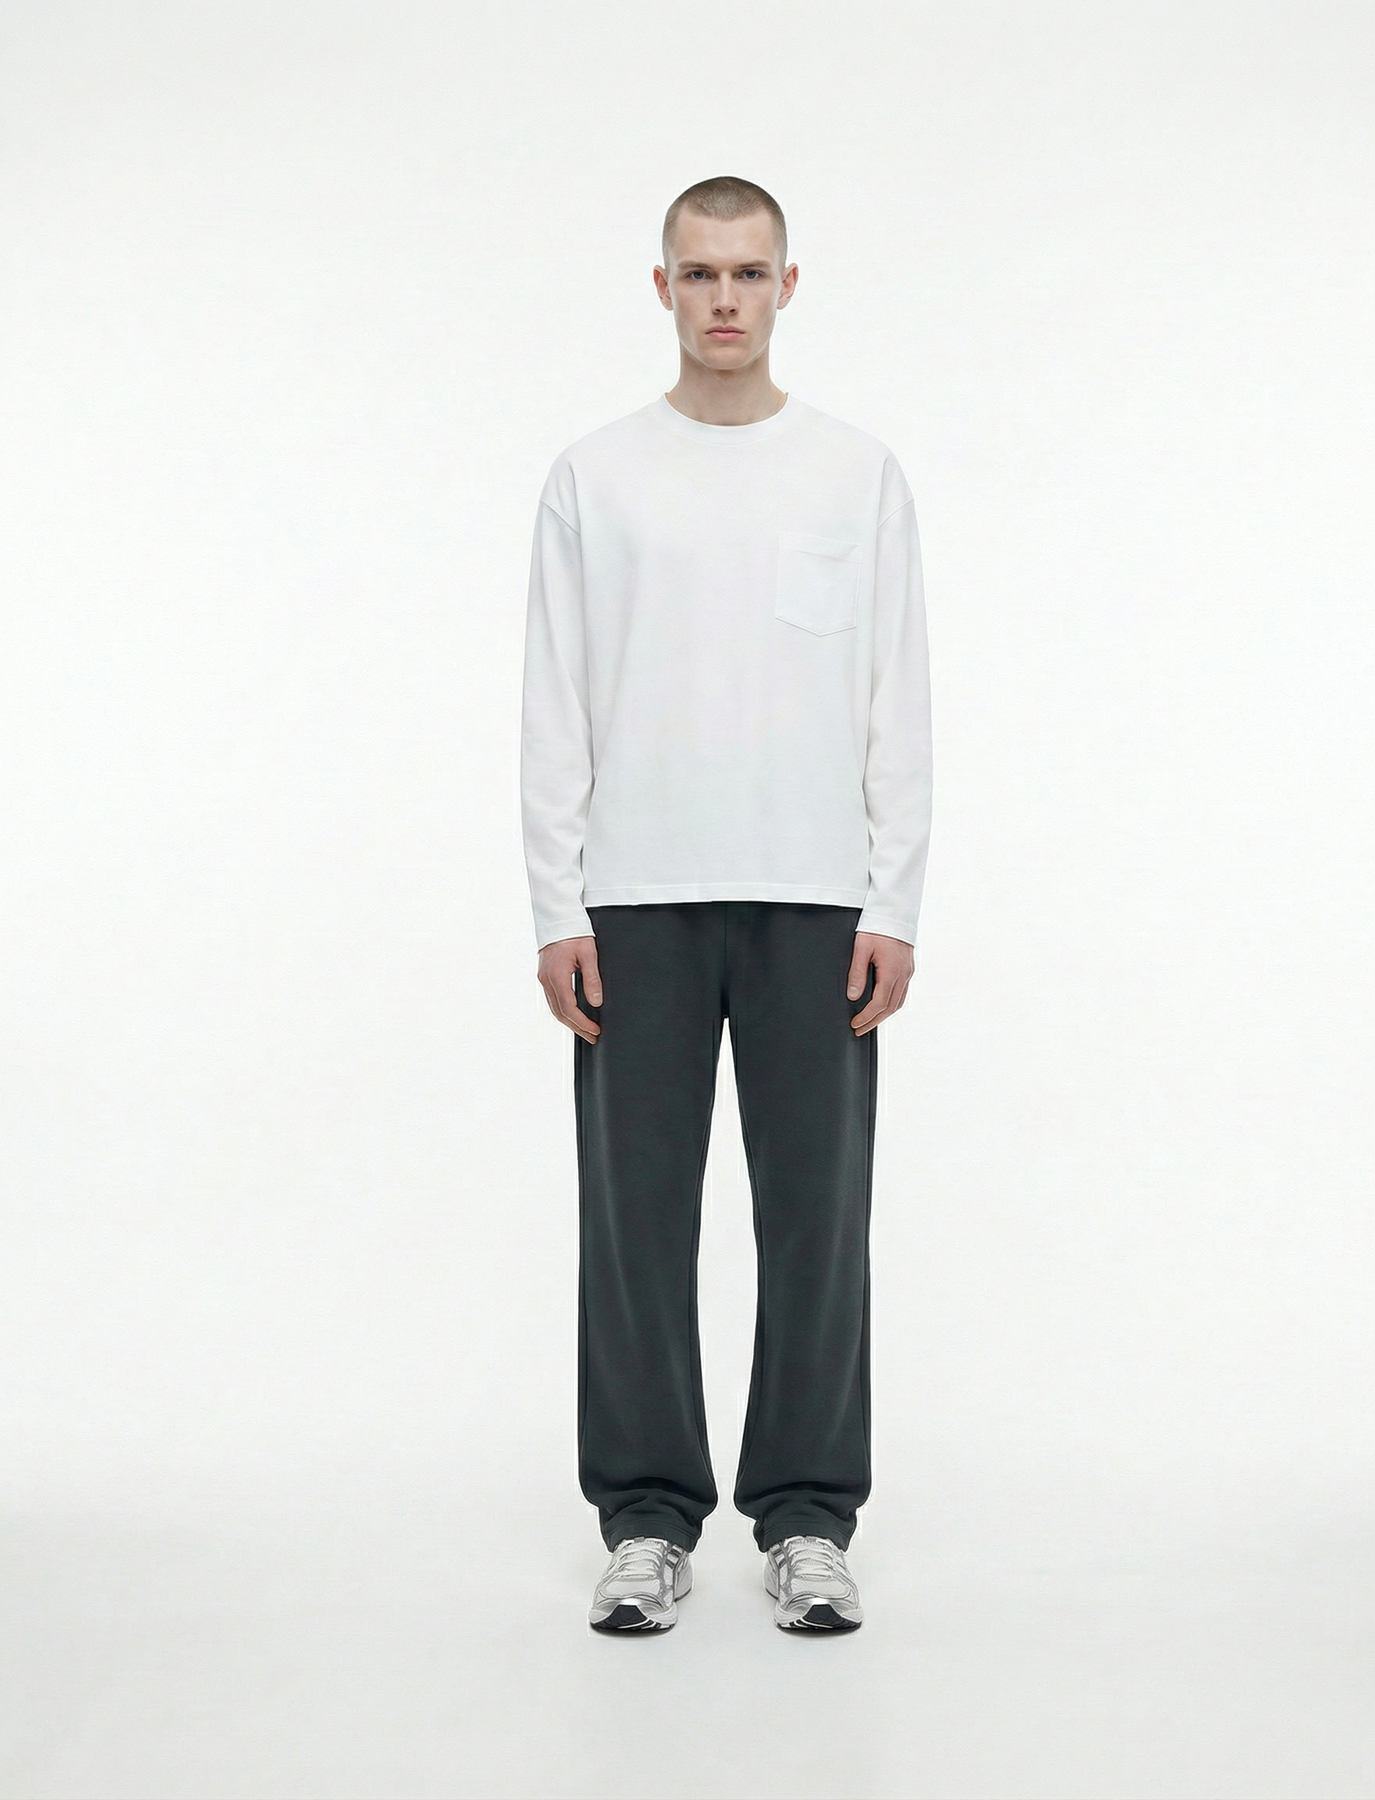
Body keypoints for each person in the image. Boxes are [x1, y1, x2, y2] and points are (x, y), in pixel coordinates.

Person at [519, 175, 933, 1634]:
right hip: (636, 893)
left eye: (747, 273)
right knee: (635, 1220)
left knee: (817, 1217)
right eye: (698, 273)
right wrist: (556, 905)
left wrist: (894, 898)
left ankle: (808, 1516)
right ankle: (645, 1518)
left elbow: (895, 693)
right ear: (661, 286)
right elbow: (555, 697)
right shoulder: (597, 475)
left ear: (787, 286)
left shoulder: (854, 474)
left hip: (815, 894)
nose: (723, 299)